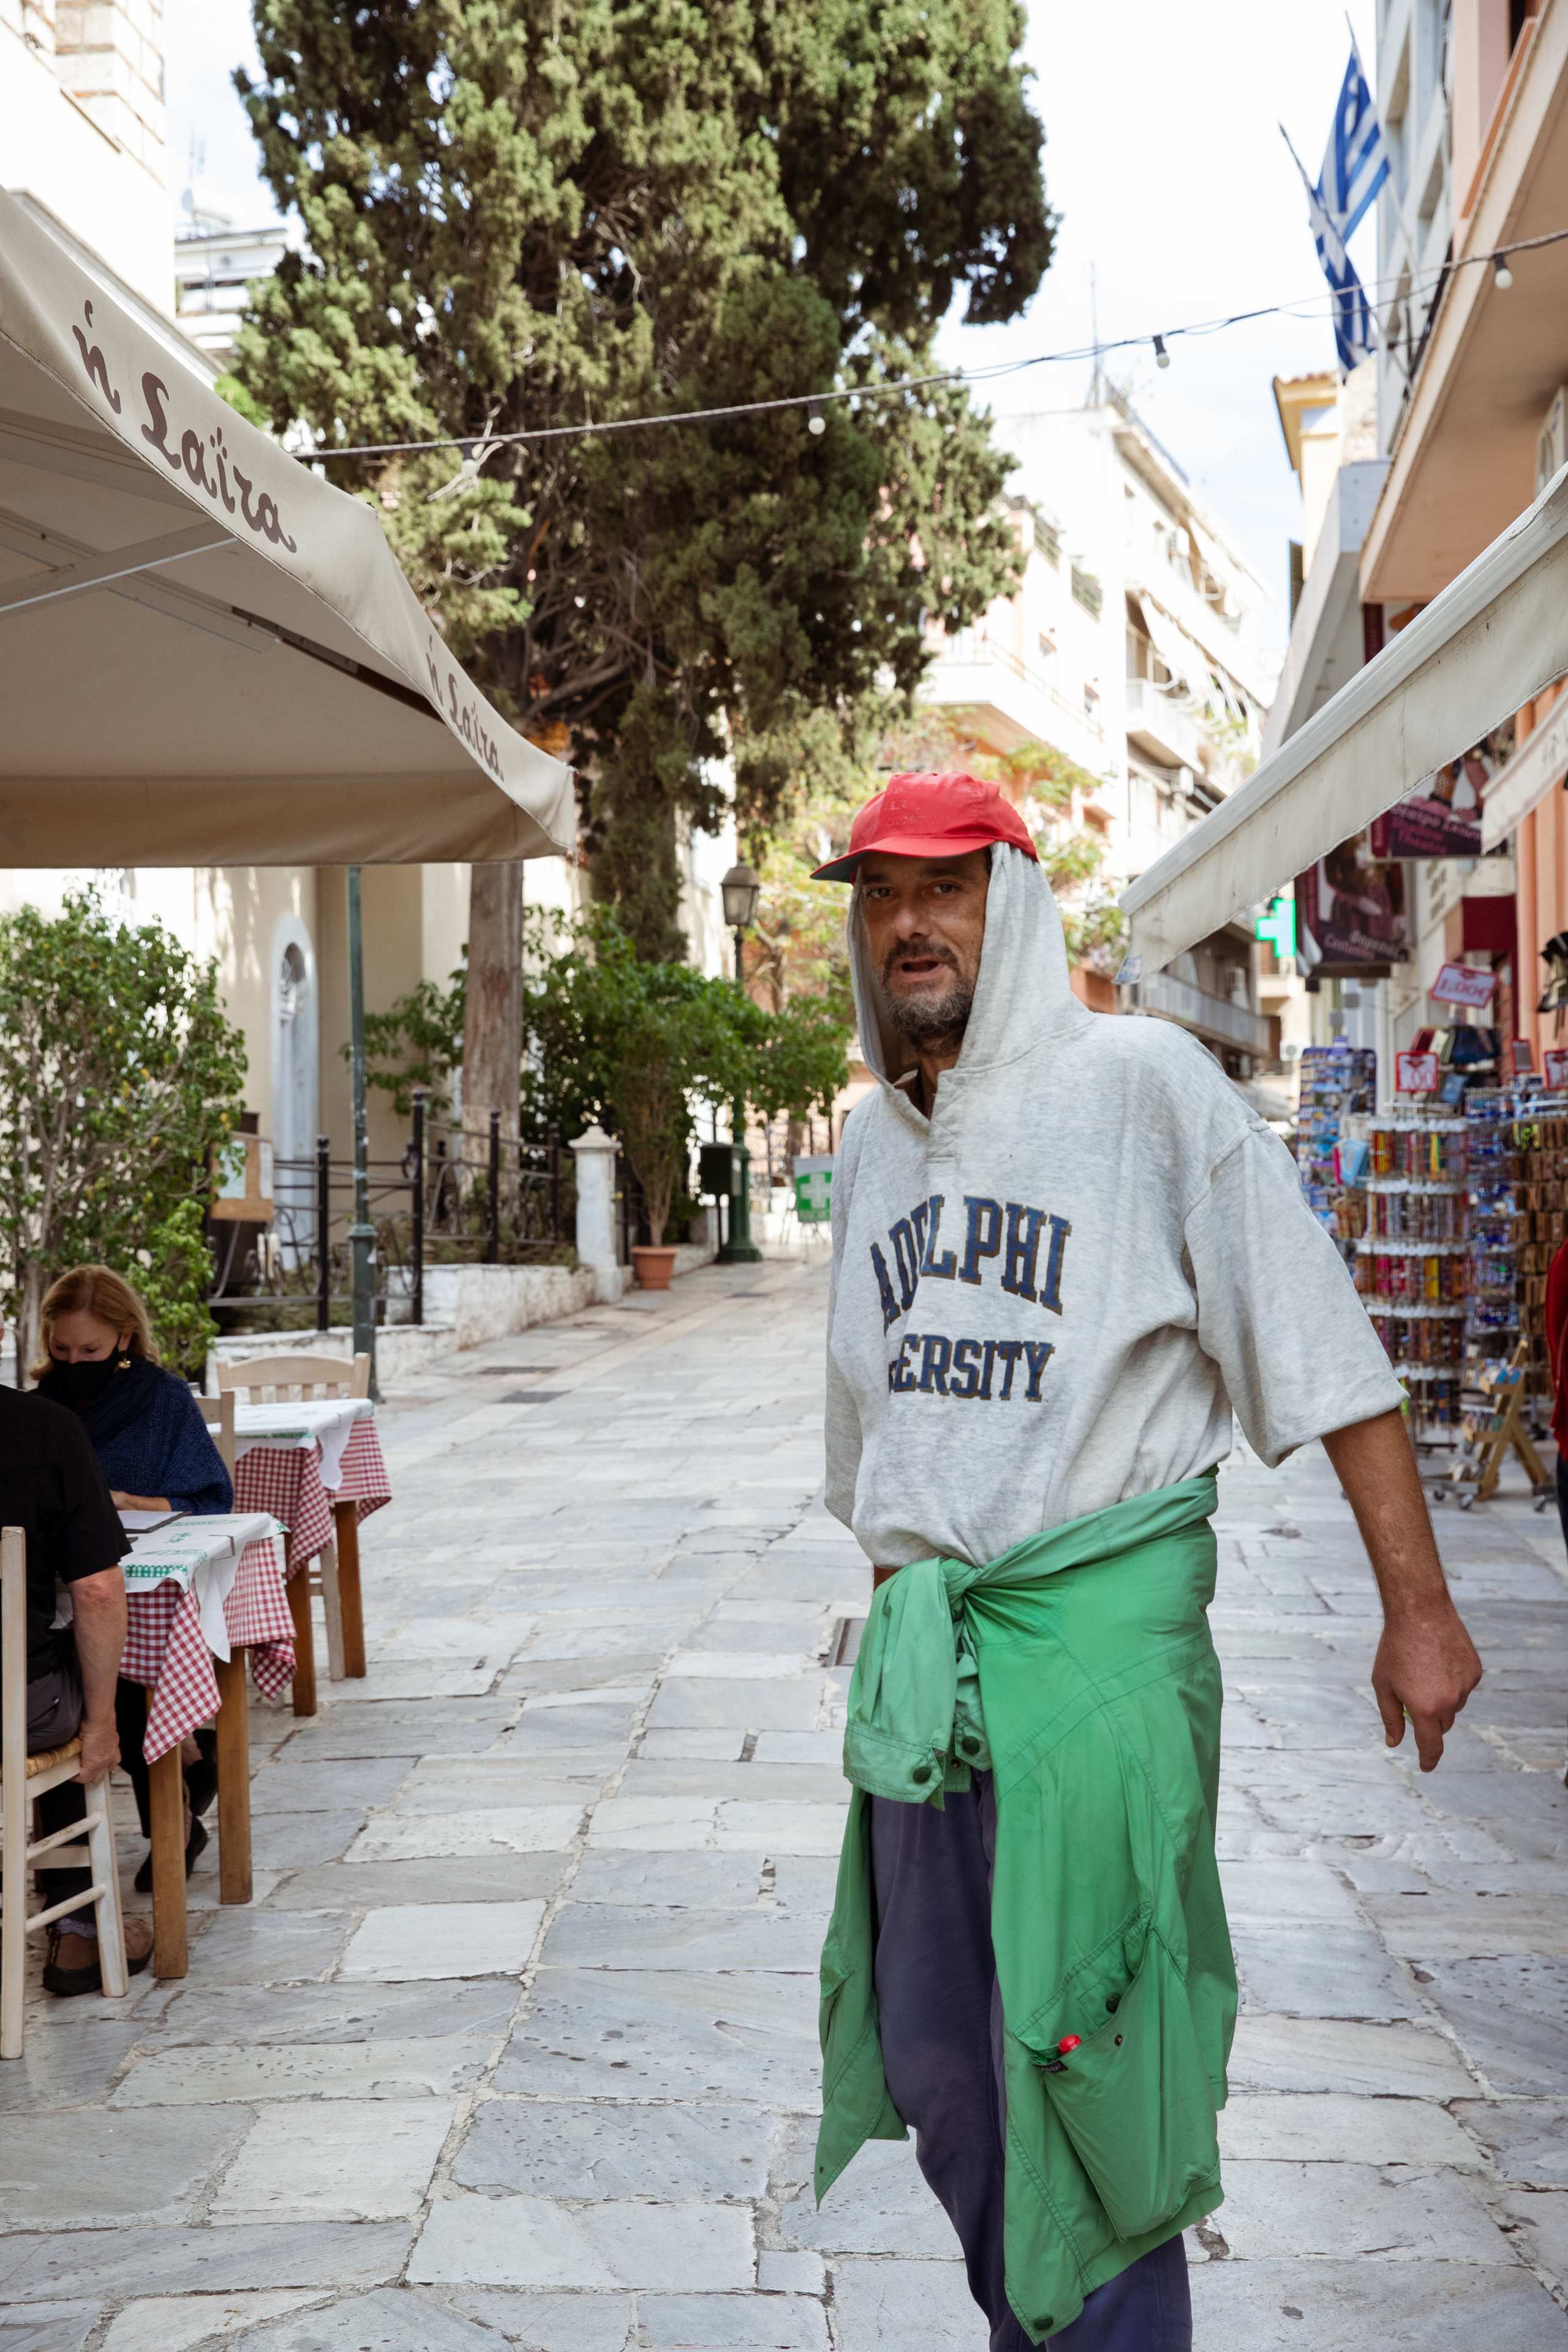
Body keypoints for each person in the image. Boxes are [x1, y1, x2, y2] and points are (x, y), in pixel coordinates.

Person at [810, 772, 1483, 2351]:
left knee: (1088, 2066)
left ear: (1018, 905)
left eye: (946, 886)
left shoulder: (1144, 1087)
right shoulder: (866, 1149)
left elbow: (1321, 1349)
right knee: (936, 2059)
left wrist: (1418, 1610)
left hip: (1098, 1674)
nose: (908, 920)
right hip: (936, 1684)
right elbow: (875, 1440)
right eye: (879, 892)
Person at [33, 1265, 233, 1885]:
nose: (74, 1361)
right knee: (87, 1664)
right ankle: (178, 1798)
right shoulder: (40, 1408)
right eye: (62, 1350)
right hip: (63, 1593)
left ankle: (152, 1832)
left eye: (89, 1350)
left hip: (146, 1582)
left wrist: (125, 1502)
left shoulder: (164, 1399)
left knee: (115, 1667)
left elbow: (210, 1498)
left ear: (123, 1337)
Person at [0, 1332, 153, 1992]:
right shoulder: (41, 1428)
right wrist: (101, 1724)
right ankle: (80, 1933)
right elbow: (97, 1590)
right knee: (91, 1669)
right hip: (15, 1709)